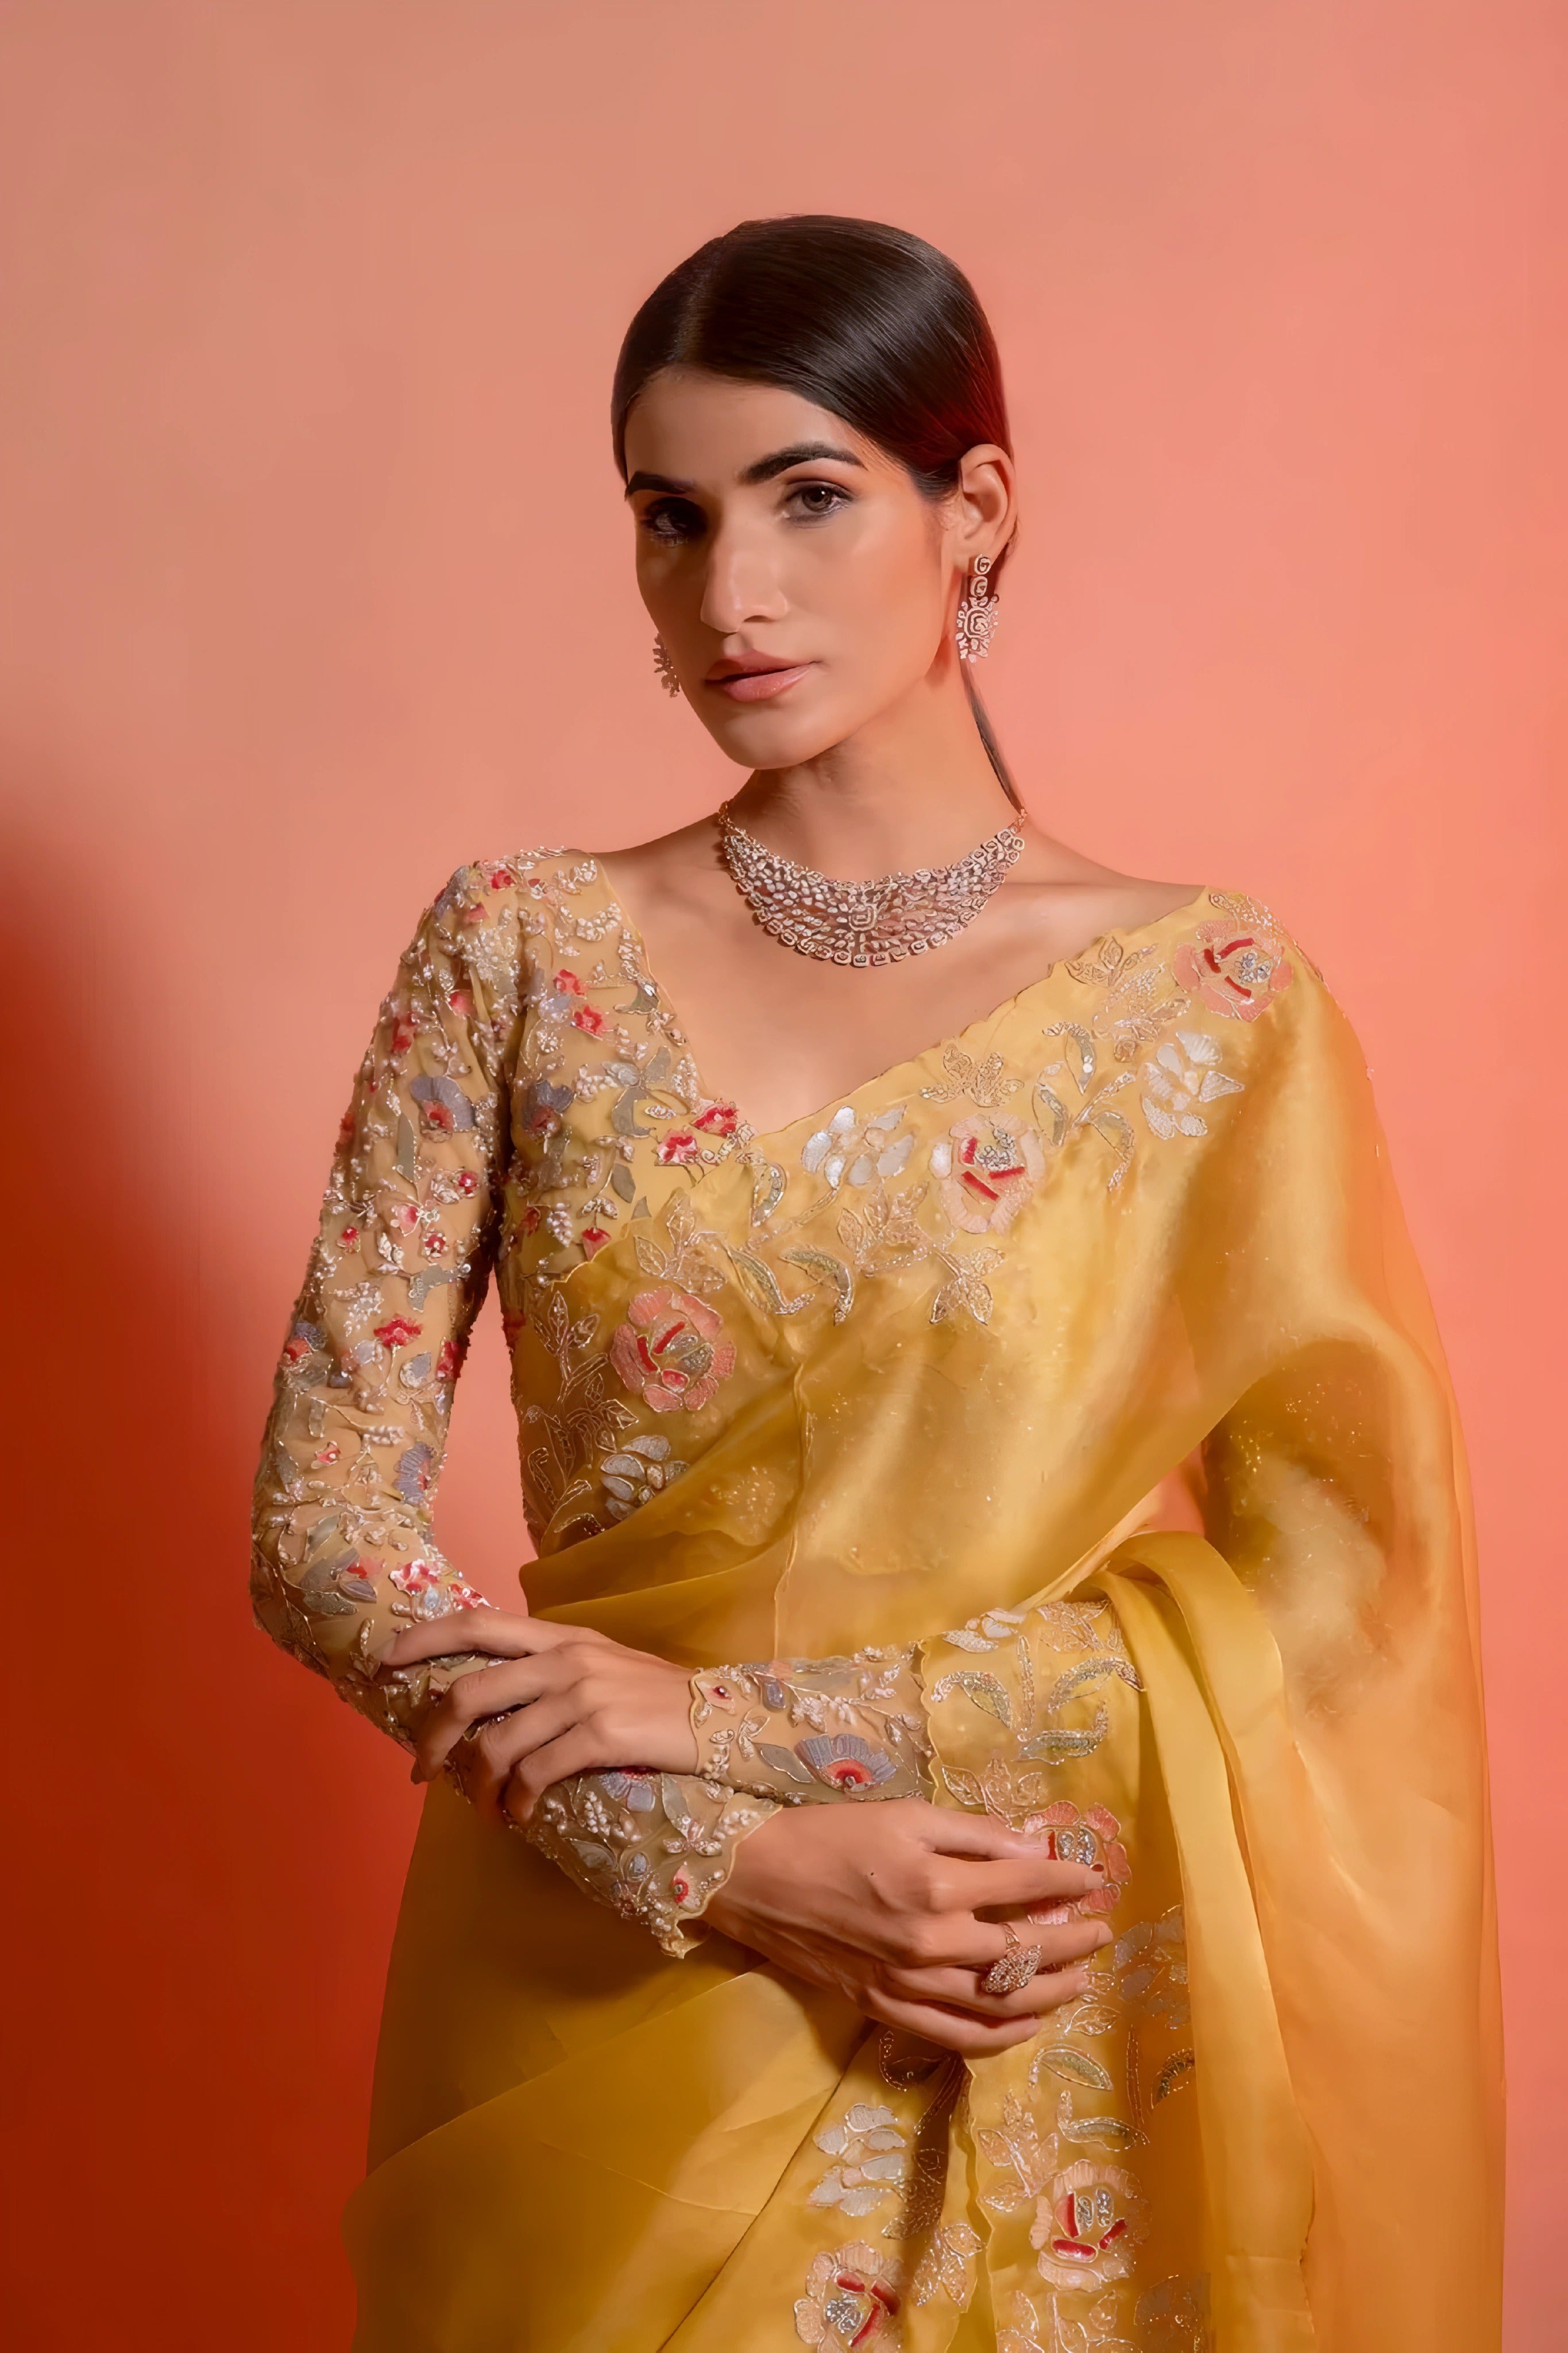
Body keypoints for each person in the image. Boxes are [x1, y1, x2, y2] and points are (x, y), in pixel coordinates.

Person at [251, 215, 1503, 2353]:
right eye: (671, 518)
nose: (728, 594)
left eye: (811, 497)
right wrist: (710, 1849)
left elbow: (1334, 1595)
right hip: (594, 1989)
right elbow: (320, 1534)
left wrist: (754, 1729)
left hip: (1010, 1977)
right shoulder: (522, 952)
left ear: (975, 508)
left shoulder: (1205, 1005)